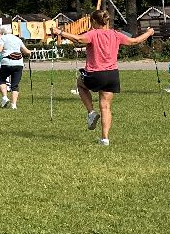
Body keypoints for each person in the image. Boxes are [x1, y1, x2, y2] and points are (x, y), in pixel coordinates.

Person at [55, 11, 155, 146]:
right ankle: (105, 139)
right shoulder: (116, 34)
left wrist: (60, 33)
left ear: (94, 22)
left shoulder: (93, 33)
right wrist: (149, 33)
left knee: (80, 84)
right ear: (106, 22)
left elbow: (78, 40)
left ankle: (91, 112)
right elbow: (134, 41)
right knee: (106, 107)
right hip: (112, 75)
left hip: (95, 74)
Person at [0, 25, 32, 109]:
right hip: (18, 64)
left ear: (3, 32)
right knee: (15, 85)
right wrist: (30, 53)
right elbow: (26, 51)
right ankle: (14, 105)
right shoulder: (18, 39)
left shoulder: (3, 38)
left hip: (6, 63)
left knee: (2, 80)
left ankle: (5, 97)